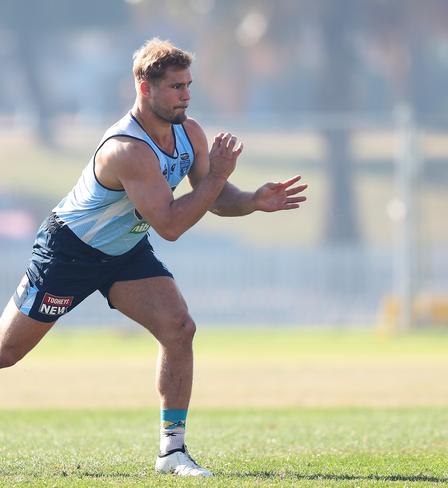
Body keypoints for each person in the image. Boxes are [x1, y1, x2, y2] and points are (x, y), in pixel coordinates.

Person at [0, 38, 307, 476]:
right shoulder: (128, 149)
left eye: (188, 85)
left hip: (125, 251)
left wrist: (253, 199)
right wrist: (218, 176)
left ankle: (172, 452)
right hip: (69, 252)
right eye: (176, 87)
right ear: (145, 88)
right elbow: (171, 225)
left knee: (179, 328)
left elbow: (215, 200)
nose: (186, 95)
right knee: (6, 353)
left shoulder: (189, 132)